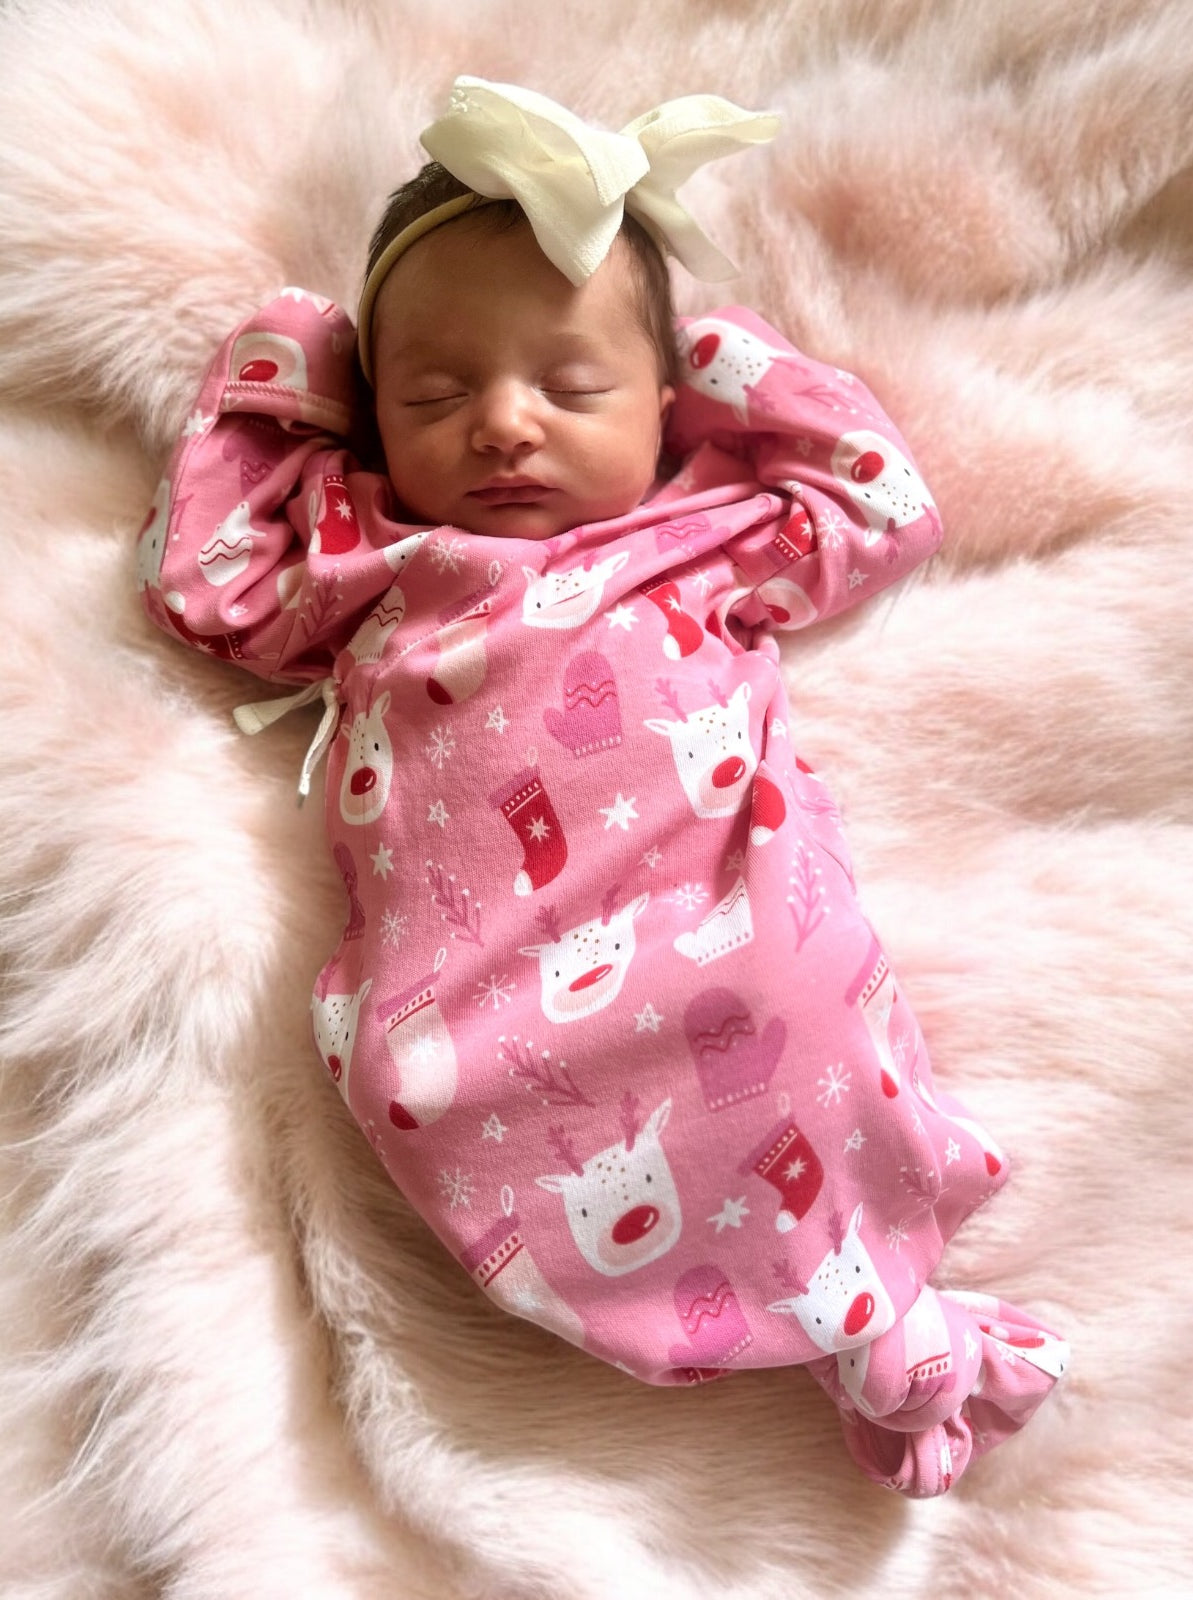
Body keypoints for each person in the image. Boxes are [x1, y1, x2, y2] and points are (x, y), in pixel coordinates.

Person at [137, 76, 1067, 1497]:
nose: (505, 425)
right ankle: (796, 1307)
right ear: (373, 423)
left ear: (666, 404)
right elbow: (206, 588)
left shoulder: (697, 540)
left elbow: (882, 497)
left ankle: (868, 1296)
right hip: (479, 1000)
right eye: (435, 394)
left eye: (570, 386)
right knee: (401, 1075)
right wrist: (286, 360)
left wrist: (707, 344)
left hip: (723, 938)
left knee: (800, 1002)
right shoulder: (370, 571)